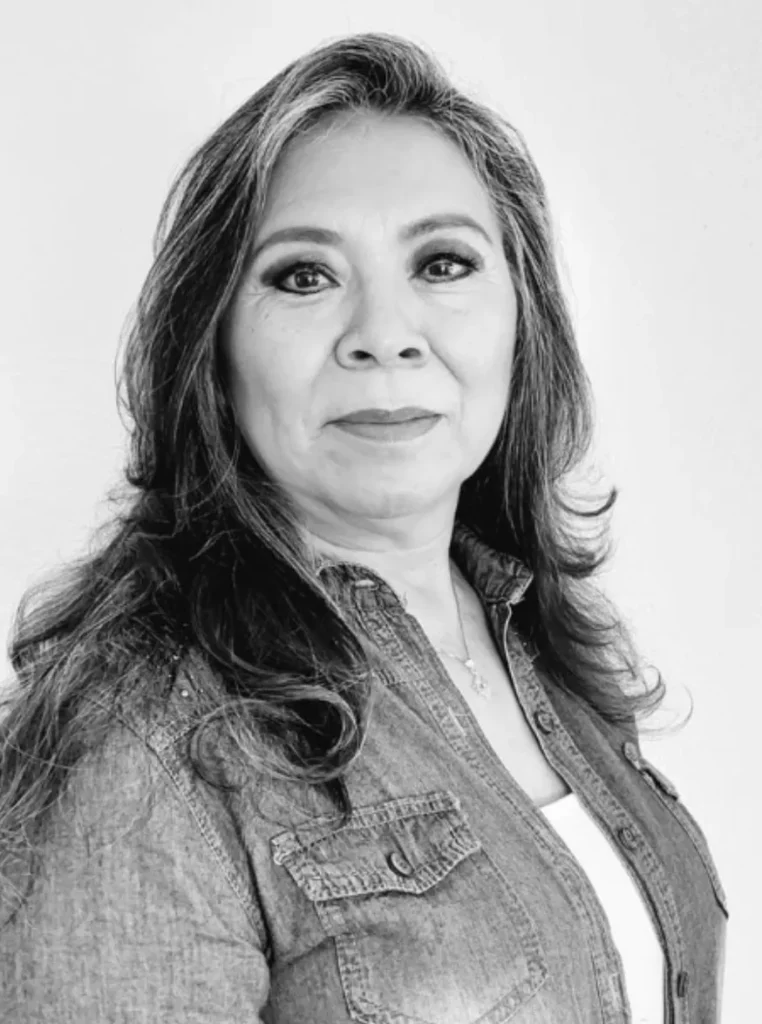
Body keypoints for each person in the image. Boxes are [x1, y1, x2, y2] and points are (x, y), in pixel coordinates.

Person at [0, 31, 727, 1024]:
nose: (384, 335)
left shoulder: (547, 649)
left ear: (523, 321)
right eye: (304, 275)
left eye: (443, 262)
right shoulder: (141, 742)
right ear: (213, 346)